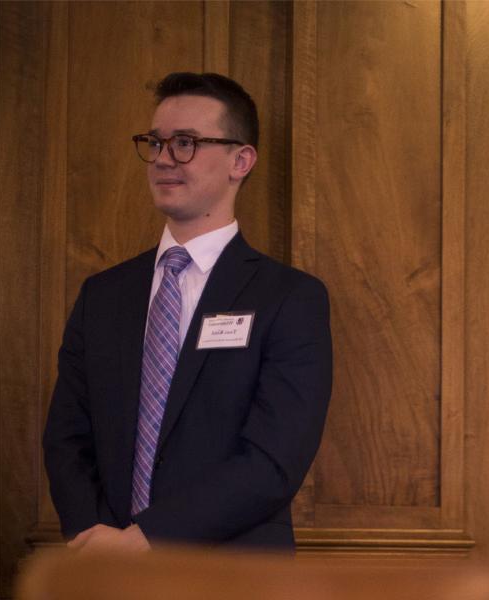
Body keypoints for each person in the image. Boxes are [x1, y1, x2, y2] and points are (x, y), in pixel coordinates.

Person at [42, 72, 332, 552]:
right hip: (103, 569)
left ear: (241, 160)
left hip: (233, 574)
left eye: (185, 143)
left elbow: (273, 461)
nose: (162, 160)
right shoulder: (102, 295)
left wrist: (146, 540)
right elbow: (67, 439)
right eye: (154, 143)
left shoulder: (289, 298)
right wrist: (100, 544)